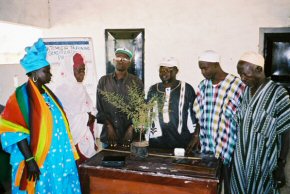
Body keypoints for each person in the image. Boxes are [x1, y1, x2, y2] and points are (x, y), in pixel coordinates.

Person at [0, 39, 81, 193]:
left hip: (58, 159)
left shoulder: (48, 94)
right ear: (35, 73)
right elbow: (14, 131)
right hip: (40, 159)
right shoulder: (20, 97)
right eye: (46, 71)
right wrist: (30, 160)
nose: (50, 74)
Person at [230, 51, 290, 194]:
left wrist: (281, 164)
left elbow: (286, 131)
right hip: (241, 158)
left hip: (263, 161)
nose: (242, 78)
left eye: (245, 74)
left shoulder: (279, 94)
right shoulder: (245, 91)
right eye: (240, 75)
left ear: (259, 69)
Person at [192, 50, 246, 194]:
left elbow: (244, 115)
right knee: (210, 182)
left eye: (205, 67)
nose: (203, 72)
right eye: (201, 68)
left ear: (216, 65)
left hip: (229, 143)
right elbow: (199, 112)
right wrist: (197, 135)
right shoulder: (203, 85)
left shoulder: (236, 84)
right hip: (207, 143)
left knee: (229, 184)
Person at [54, 53, 97, 164]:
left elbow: (90, 108)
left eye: (84, 70)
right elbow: (63, 118)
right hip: (72, 143)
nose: (83, 73)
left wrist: (90, 114)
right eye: (79, 70)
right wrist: (86, 117)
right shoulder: (61, 91)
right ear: (69, 70)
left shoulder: (81, 88)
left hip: (86, 137)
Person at [96, 47, 143, 148]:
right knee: (108, 163)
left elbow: (141, 110)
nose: (121, 61)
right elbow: (100, 109)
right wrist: (108, 126)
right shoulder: (103, 81)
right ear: (114, 60)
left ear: (129, 63)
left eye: (125, 59)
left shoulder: (137, 82)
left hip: (130, 139)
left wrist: (131, 129)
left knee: (131, 164)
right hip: (108, 138)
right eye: (118, 58)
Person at [147, 57, 197, 150]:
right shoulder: (153, 89)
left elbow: (194, 115)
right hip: (157, 142)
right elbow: (148, 115)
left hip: (181, 141)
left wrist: (195, 136)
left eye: (168, 69)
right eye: (161, 70)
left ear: (176, 71)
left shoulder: (187, 89)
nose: (164, 73)